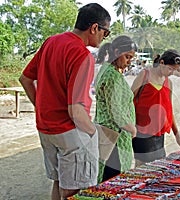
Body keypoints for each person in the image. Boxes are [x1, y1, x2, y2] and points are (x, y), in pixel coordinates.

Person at [19, 3, 111, 199]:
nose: (105, 38)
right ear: (94, 28)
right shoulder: (82, 54)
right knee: (75, 191)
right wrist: (94, 133)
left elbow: (25, 79)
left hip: (46, 128)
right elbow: (75, 111)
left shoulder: (50, 42)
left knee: (59, 182)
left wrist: (42, 107)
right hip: (70, 131)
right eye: (106, 32)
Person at [131, 49, 180, 167]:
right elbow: (129, 101)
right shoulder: (144, 75)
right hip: (141, 132)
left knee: (158, 167)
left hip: (159, 134)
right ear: (161, 63)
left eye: (174, 70)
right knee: (141, 168)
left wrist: (178, 137)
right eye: (170, 68)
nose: (172, 72)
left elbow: (169, 111)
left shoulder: (169, 83)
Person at [94, 35, 137, 182]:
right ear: (117, 52)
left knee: (105, 179)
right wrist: (131, 128)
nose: (129, 62)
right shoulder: (113, 76)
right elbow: (116, 110)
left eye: (131, 58)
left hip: (107, 133)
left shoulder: (106, 70)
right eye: (127, 57)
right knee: (112, 182)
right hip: (114, 136)